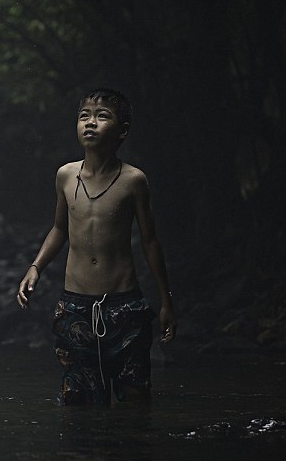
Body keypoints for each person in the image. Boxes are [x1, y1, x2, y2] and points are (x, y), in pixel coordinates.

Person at [16, 88, 177, 406]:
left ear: (122, 131)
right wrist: (35, 267)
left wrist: (166, 302)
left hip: (124, 306)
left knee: (135, 397)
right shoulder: (65, 175)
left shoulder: (133, 180)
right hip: (74, 306)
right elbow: (60, 229)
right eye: (84, 116)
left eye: (102, 116)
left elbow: (150, 241)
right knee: (77, 400)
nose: (90, 122)